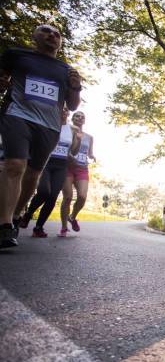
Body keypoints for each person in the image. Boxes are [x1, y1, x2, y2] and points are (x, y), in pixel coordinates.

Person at [0, 24, 81, 248]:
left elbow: (72, 106)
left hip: (49, 126)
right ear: (35, 36)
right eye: (46, 31)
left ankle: (16, 214)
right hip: (18, 115)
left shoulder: (66, 70)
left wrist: (76, 87)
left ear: (60, 42)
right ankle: (4, 225)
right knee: (15, 165)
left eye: (57, 34)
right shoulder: (16, 56)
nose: (52, 35)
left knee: (33, 175)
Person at [19, 106, 81, 237]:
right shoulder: (49, 124)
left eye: (65, 110)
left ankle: (38, 228)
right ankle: (28, 214)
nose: (63, 112)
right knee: (43, 191)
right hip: (46, 162)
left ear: (68, 113)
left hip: (61, 165)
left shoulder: (73, 129)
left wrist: (79, 141)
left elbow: (74, 151)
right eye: (61, 110)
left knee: (53, 196)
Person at [58, 111, 95, 237]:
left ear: (84, 121)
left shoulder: (89, 137)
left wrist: (92, 156)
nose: (80, 118)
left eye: (82, 117)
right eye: (77, 116)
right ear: (72, 118)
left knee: (82, 196)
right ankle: (64, 227)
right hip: (68, 167)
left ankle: (72, 217)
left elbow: (89, 153)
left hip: (82, 168)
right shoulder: (66, 131)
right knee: (67, 197)